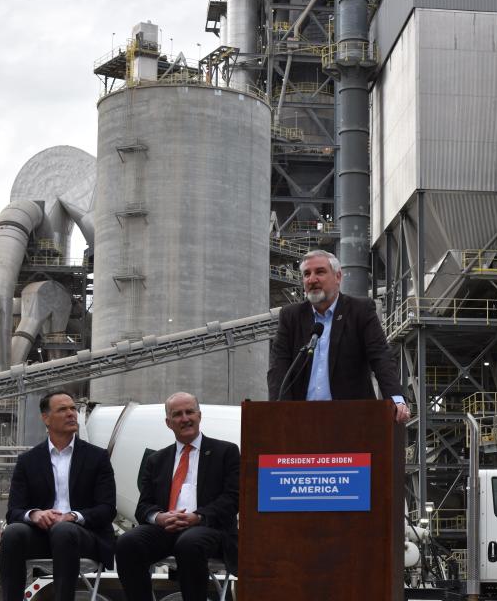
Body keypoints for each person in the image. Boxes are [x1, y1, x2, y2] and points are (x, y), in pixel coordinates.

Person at [116, 392, 240, 601]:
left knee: (189, 542)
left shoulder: (225, 451)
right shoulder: (156, 459)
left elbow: (233, 498)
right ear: (168, 422)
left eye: (189, 412)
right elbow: (143, 506)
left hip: (210, 529)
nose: (185, 418)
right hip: (167, 529)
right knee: (127, 542)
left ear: (199, 415)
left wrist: (198, 517)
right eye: (177, 414)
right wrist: (159, 517)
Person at [266, 249, 411, 423]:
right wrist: (279, 409)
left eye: (320, 272)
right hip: (300, 421)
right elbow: (278, 367)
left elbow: (381, 357)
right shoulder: (290, 316)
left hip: (351, 421)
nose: (312, 280)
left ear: (338, 277)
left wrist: (396, 399)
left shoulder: (360, 311)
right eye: (306, 274)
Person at [0, 390, 117, 601]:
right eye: (63, 409)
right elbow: (14, 511)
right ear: (46, 418)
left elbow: (107, 509)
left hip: (84, 536)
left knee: (63, 530)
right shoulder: (28, 461)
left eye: (73, 408)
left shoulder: (97, 457)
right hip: (41, 536)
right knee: (12, 533)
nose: (71, 413)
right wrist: (35, 515)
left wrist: (72, 516)